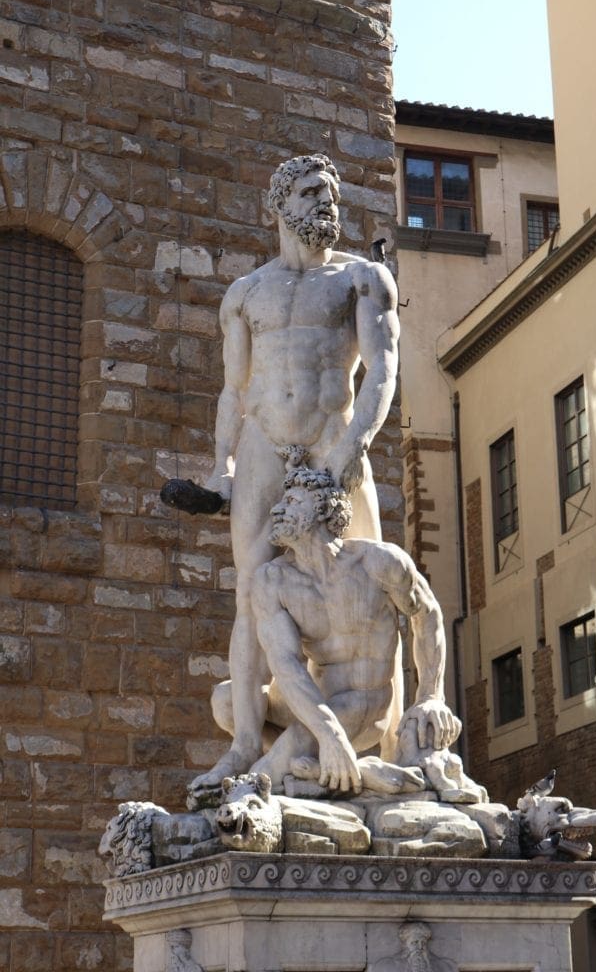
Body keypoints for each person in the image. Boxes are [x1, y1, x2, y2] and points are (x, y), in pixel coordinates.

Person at [188, 154, 400, 798]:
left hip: (334, 439)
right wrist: (222, 466)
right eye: (311, 192)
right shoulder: (245, 294)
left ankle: (386, 744)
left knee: (365, 577)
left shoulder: (365, 280)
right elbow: (233, 390)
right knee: (251, 590)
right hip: (262, 446)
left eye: (331, 192)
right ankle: (246, 746)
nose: (325, 203)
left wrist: (345, 456)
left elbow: (382, 376)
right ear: (279, 206)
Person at [226, 465, 460, 794]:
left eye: (292, 501)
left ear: (324, 510)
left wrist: (431, 696)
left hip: (361, 702)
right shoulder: (272, 580)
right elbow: (286, 666)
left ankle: (304, 764)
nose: (278, 509)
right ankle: (323, 765)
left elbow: (427, 614)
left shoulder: (377, 562)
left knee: (260, 781)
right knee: (226, 700)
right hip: (313, 700)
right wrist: (330, 736)